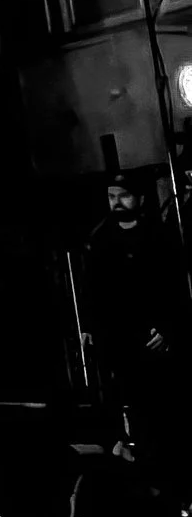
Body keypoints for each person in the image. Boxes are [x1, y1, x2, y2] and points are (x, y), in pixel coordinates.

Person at [80, 170, 191, 476]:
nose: (116, 202)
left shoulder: (160, 236)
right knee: (125, 403)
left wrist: (168, 328)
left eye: (124, 196)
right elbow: (91, 288)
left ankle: (166, 467)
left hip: (153, 336)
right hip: (117, 338)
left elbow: (175, 287)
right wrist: (89, 326)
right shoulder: (100, 239)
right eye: (111, 196)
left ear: (139, 199)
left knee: (162, 406)